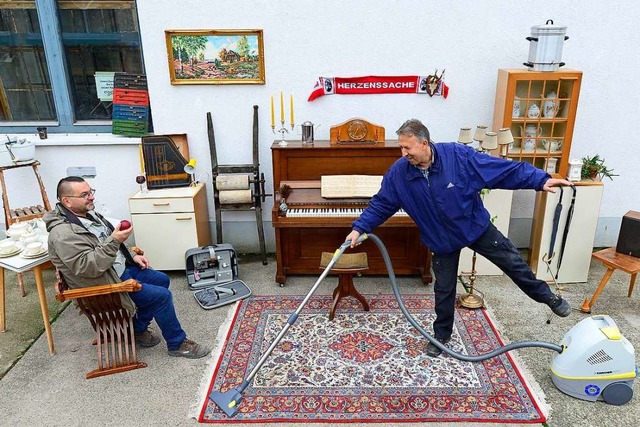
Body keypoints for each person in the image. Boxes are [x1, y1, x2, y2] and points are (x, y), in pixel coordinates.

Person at [345, 119, 573, 357]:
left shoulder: (458, 157)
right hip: (441, 239)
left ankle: (548, 297)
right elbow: (381, 204)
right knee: (443, 290)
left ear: (424, 143)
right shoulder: (398, 174)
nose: (404, 154)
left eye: (407, 148)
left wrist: (539, 179)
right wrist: (360, 228)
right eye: (400, 148)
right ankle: (442, 335)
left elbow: (501, 170)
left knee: (513, 262)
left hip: (474, 227)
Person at [44, 176, 210, 359]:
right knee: (162, 297)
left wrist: (132, 256)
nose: (91, 197)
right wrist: (115, 240)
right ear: (67, 201)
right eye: (85, 195)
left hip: (116, 271)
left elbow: (105, 244)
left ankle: (137, 330)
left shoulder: (85, 215)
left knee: (161, 280)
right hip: (102, 285)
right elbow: (87, 267)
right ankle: (177, 344)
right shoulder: (63, 234)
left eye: (91, 192)